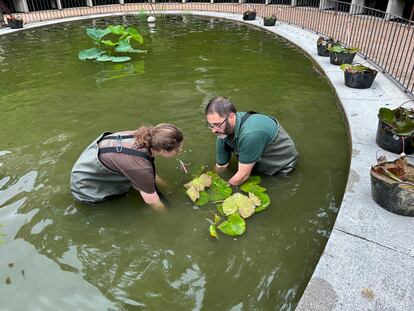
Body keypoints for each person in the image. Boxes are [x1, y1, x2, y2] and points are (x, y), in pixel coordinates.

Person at [70, 123, 184, 210]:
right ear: (163, 151)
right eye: (177, 149)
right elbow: (152, 201)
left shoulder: (144, 136)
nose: (180, 150)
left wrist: (168, 187)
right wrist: (169, 217)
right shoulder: (141, 167)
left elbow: (147, 174)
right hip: (87, 187)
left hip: (87, 163)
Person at [205, 96, 298, 187]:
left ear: (231, 117)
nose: (213, 130)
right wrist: (209, 181)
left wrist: (220, 189)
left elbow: (243, 176)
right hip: (255, 161)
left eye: (217, 124)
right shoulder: (222, 131)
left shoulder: (251, 134)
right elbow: (221, 166)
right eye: (211, 125)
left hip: (280, 169)